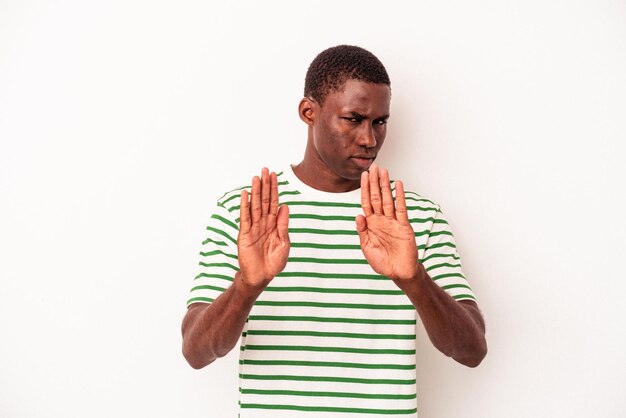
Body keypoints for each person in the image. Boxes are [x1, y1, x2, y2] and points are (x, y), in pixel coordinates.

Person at [182, 44, 487, 417]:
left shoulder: (414, 217)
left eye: (379, 121)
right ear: (309, 112)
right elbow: (196, 352)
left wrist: (414, 280)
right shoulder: (246, 213)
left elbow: (472, 351)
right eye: (353, 118)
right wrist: (247, 285)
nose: (369, 139)